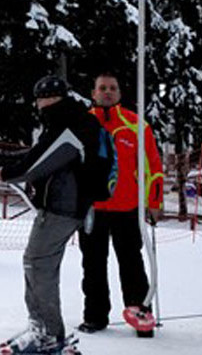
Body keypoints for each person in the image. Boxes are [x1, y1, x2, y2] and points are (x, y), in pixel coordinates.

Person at [0, 75, 101, 355]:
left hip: (63, 207)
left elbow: (41, 161)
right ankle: (40, 326)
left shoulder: (70, 123)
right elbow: (42, 154)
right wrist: (6, 163)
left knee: (38, 264)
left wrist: (9, 173)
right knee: (36, 262)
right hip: (62, 205)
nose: (39, 104)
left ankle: (48, 333)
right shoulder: (67, 121)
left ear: (52, 98)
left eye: (41, 98)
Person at [77, 72, 164, 336]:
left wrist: (154, 201)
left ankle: (140, 314)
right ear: (93, 93)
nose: (107, 92)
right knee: (92, 265)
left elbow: (153, 167)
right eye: (102, 87)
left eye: (112, 88)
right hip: (93, 209)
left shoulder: (137, 125)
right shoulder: (82, 124)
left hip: (127, 208)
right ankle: (95, 316)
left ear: (120, 93)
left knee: (132, 264)